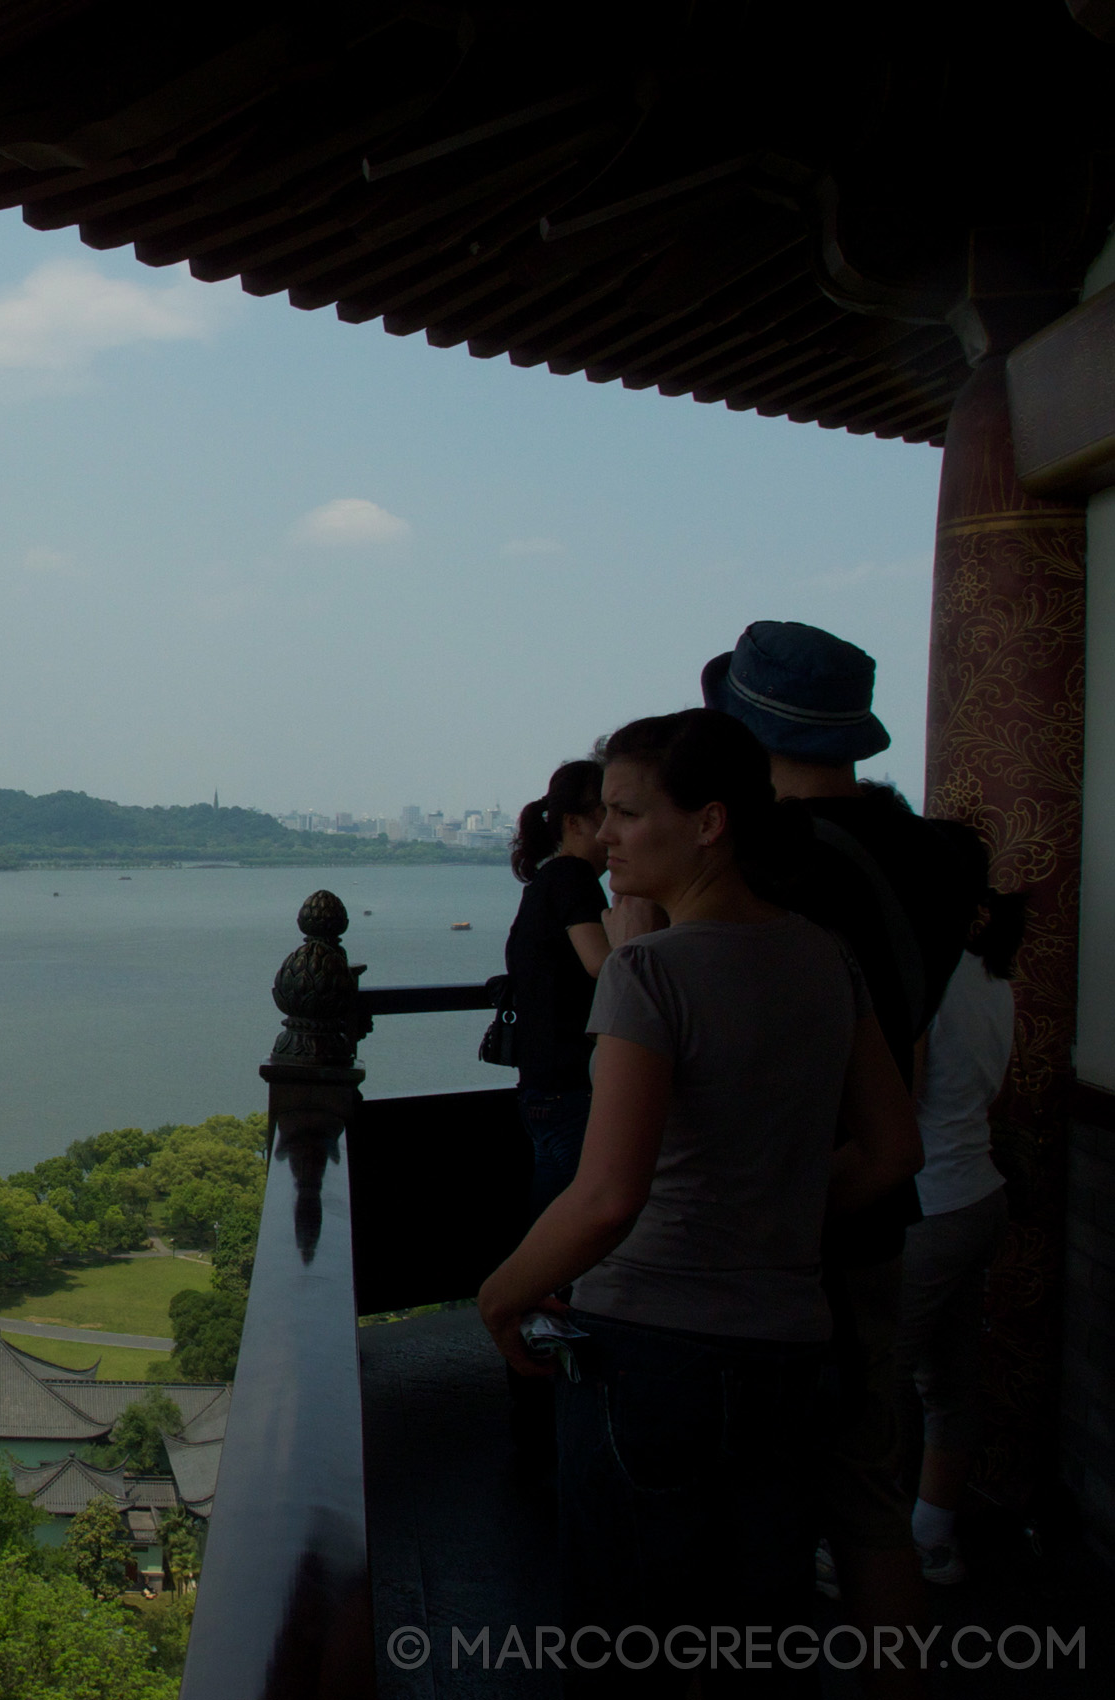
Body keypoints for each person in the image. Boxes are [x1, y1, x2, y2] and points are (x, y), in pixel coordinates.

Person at [476, 709, 920, 1692]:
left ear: (710, 821)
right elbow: (893, 1150)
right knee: (753, 1631)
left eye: (631, 813)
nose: (608, 835)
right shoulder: (822, 956)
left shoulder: (649, 971)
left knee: (627, 1635)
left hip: (652, 1352)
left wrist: (500, 1293)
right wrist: (773, 1210)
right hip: (793, 1346)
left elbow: (606, 1196)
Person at [697, 620, 981, 1665]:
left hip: (763, 1203)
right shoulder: (934, 851)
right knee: (867, 1489)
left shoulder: (779, 862)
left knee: (734, 1488)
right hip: (879, 1188)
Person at [896, 872, 1025, 1586]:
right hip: (979, 1195)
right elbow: (994, 1093)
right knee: (950, 1382)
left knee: (871, 1384)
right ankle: (934, 1539)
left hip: (930, 1205)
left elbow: (900, 1102)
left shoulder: (929, 980)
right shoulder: (994, 979)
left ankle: (863, 1546)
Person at [504, 759, 613, 1216]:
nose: (614, 831)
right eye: (610, 813)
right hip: (572, 1085)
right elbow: (600, 964)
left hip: (540, 1085)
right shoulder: (574, 877)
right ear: (574, 823)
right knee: (579, 1221)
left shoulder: (545, 881)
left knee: (552, 1215)